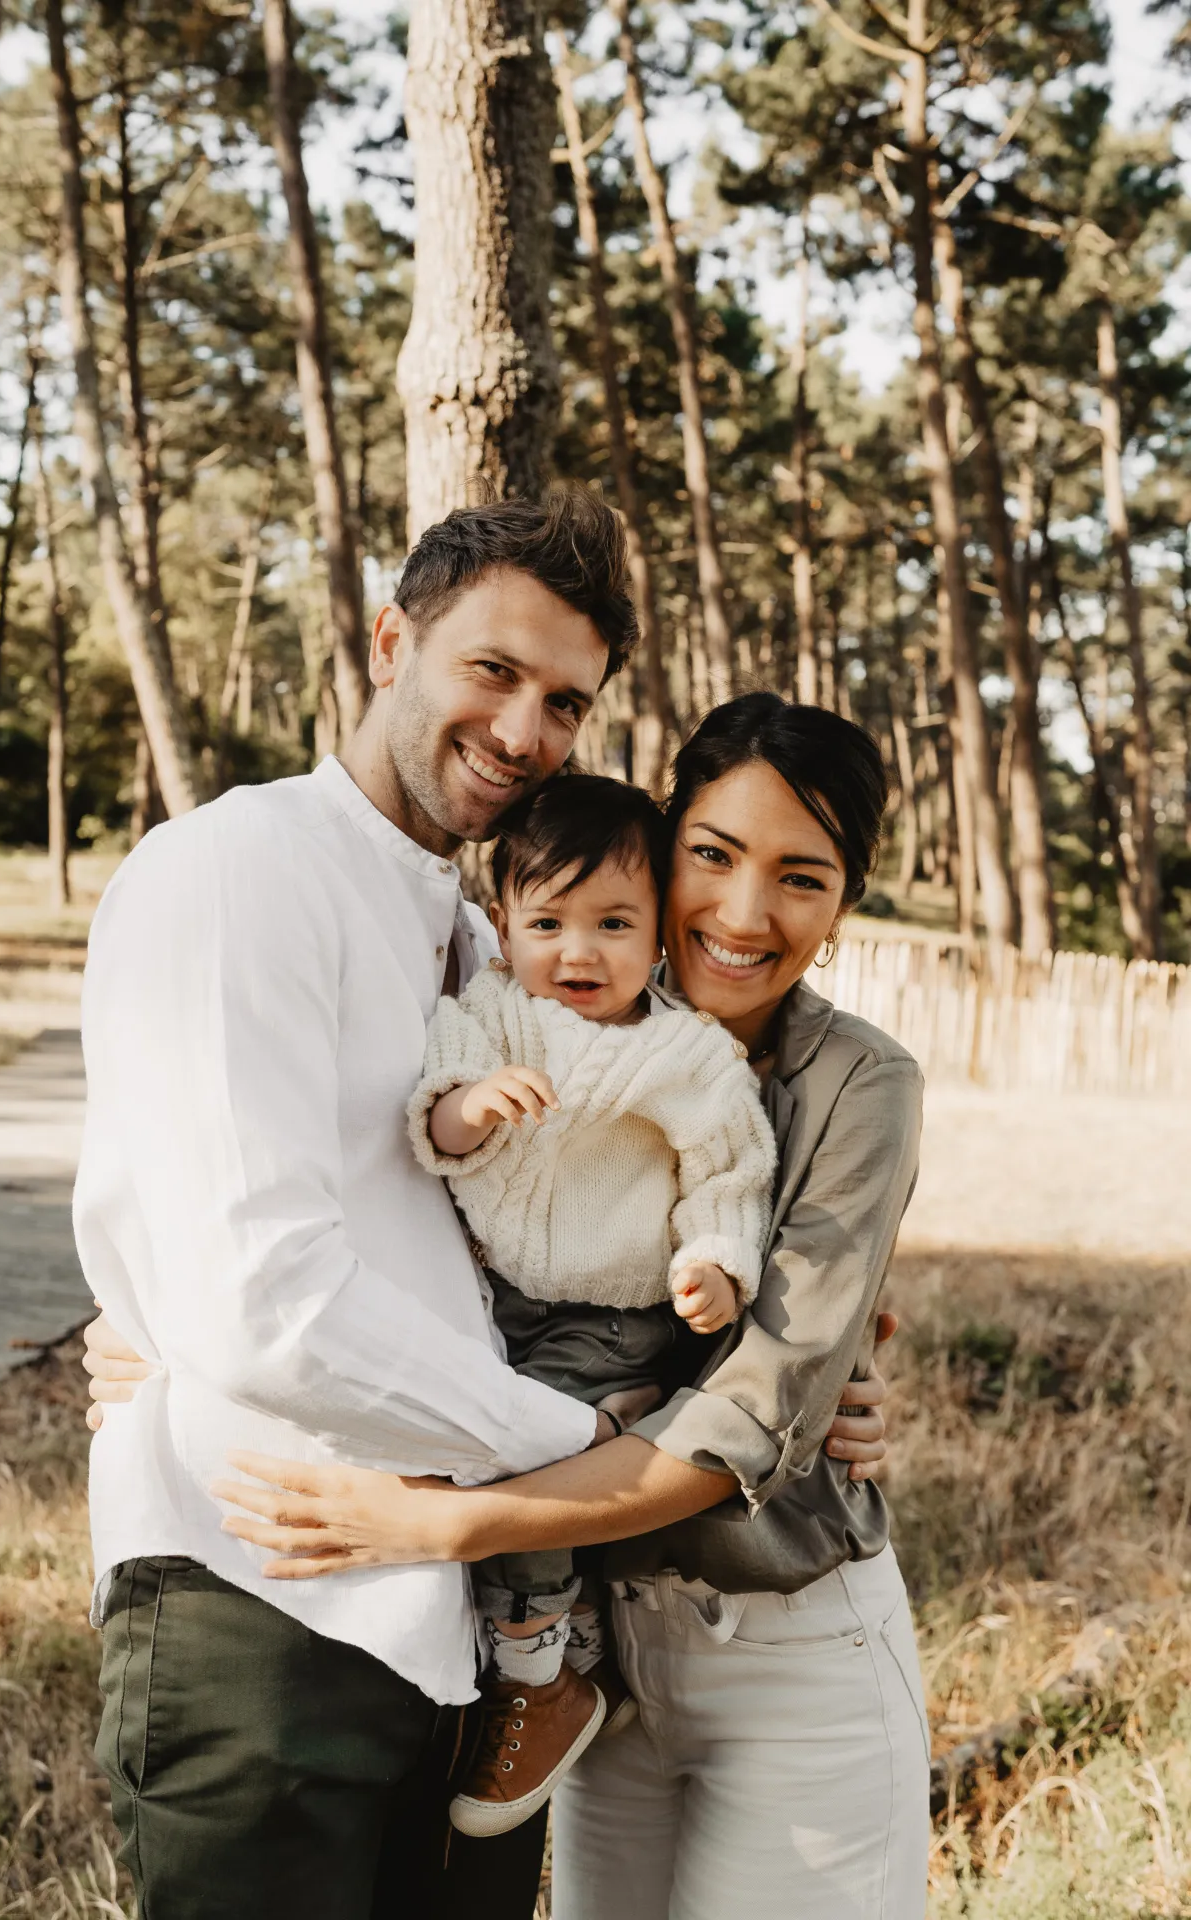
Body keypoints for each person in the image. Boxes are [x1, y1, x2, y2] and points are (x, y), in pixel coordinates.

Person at [75, 494, 892, 1920]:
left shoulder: (478, 934)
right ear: (392, 639)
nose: (524, 730)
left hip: (459, 1631)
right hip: (274, 1593)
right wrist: (583, 1440)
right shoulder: (243, 868)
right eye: (492, 672)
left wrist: (809, 1375)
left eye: (565, 701)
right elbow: (258, 1303)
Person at [410, 773, 776, 1836]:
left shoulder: (686, 1057)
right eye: (548, 923)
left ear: (657, 935)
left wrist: (715, 1261)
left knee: (523, 1464)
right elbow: (431, 1112)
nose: (580, 953)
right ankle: (567, 1641)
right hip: (494, 1296)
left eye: (613, 924)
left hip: (610, 1317)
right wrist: (470, 1109)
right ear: (500, 926)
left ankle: (537, 1682)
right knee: (457, 1434)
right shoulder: (484, 1015)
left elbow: (728, 1177)